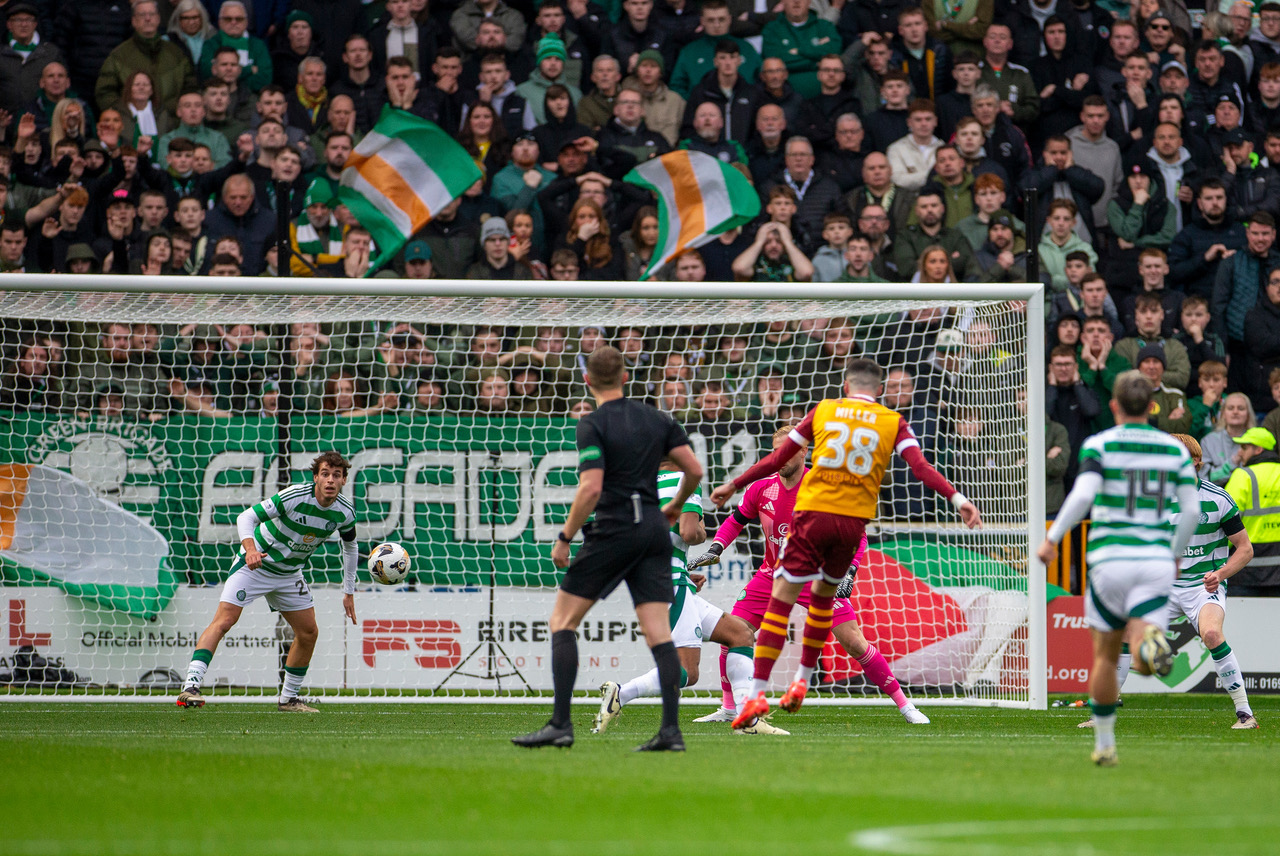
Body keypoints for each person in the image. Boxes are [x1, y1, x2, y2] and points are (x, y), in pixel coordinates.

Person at [709, 358, 981, 728]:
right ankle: (799, 683)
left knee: (783, 604)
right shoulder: (892, 420)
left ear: (845, 385)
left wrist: (732, 484)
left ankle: (758, 694)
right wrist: (959, 500)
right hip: (852, 524)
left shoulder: (825, 410)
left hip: (815, 517)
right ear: (880, 390)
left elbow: (777, 456)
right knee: (817, 607)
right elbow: (920, 468)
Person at [512, 346, 703, 752]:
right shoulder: (657, 419)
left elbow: (592, 487)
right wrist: (673, 505)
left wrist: (565, 537)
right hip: (653, 530)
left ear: (587, 381)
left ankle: (561, 724)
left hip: (615, 528)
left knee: (563, 621)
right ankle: (671, 732)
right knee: (659, 633)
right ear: (625, 377)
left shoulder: (592, 424)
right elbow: (695, 469)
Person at [689, 425, 930, 726]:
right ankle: (728, 708)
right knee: (733, 633)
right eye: (776, 451)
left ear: (804, 451)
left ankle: (906, 705)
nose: (781, 457)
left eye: (788, 450)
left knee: (854, 642)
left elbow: (858, 534)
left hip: (818, 577)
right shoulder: (760, 488)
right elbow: (735, 522)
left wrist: (849, 571)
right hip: (772, 575)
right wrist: (716, 548)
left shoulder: (825, 487)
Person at [1037, 371, 1200, 766]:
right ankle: (1151, 645)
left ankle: (1105, 743)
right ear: (1152, 406)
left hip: (1110, 560)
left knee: (1106, 657)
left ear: (1113, 405)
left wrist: (1052, 538)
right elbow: (1192, 510)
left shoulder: (1100, 443)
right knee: (1142, 653)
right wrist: (1175, 554)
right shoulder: (1174, 451)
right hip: (1155, 560)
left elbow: (1084, 494)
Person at [1081, 433, 1257, 730]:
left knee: (1212, 635)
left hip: (1202, 587)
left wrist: (1220, 574)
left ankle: (1245, 713)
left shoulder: (1218, 499)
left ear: (1195, 462)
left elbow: (1245, 549)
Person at [593, 462, 769, 736]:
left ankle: (747, 718)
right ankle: (622, 692)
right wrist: (700, 528)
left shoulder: (637, 484)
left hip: (658, 578)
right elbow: (690, 533)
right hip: (670, 581)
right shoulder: (685, 480)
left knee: (741, 634)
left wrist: (683, 572)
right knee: (688, 671)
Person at [176, 451, 358, 712]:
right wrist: (250, 550)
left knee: (308, 633)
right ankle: (190, 686)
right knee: (225, 620)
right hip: (256, 564)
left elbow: (350, 548)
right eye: (325, 474)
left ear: (344, 481)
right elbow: (245, 517)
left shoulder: (345, 512)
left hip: (289, 573)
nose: (330, 480)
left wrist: (348, 592)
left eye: (336, 475)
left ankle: (288, 699)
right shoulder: (295, 495)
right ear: (316, 477)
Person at [1224, 427, 1280, 597]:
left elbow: (1227, 519)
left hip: (1245, 570)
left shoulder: (1243, 475)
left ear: (1258, 449)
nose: (1240, 452)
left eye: (1244, 447)